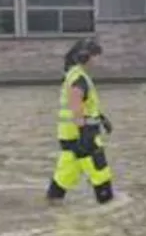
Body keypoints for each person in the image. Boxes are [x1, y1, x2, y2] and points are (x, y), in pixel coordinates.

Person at [46, 38, 116, 204]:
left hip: (69, 138)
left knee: (64, 176)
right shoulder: (79, 78)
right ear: (87, 57)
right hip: (83, 137)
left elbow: (84, 105)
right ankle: (108, 212)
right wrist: (84, 131)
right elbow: (76, 102)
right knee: (100, 174)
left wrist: (101, 117)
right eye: (96, 56)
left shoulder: (73, 75)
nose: (98, 60)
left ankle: (51, 207)